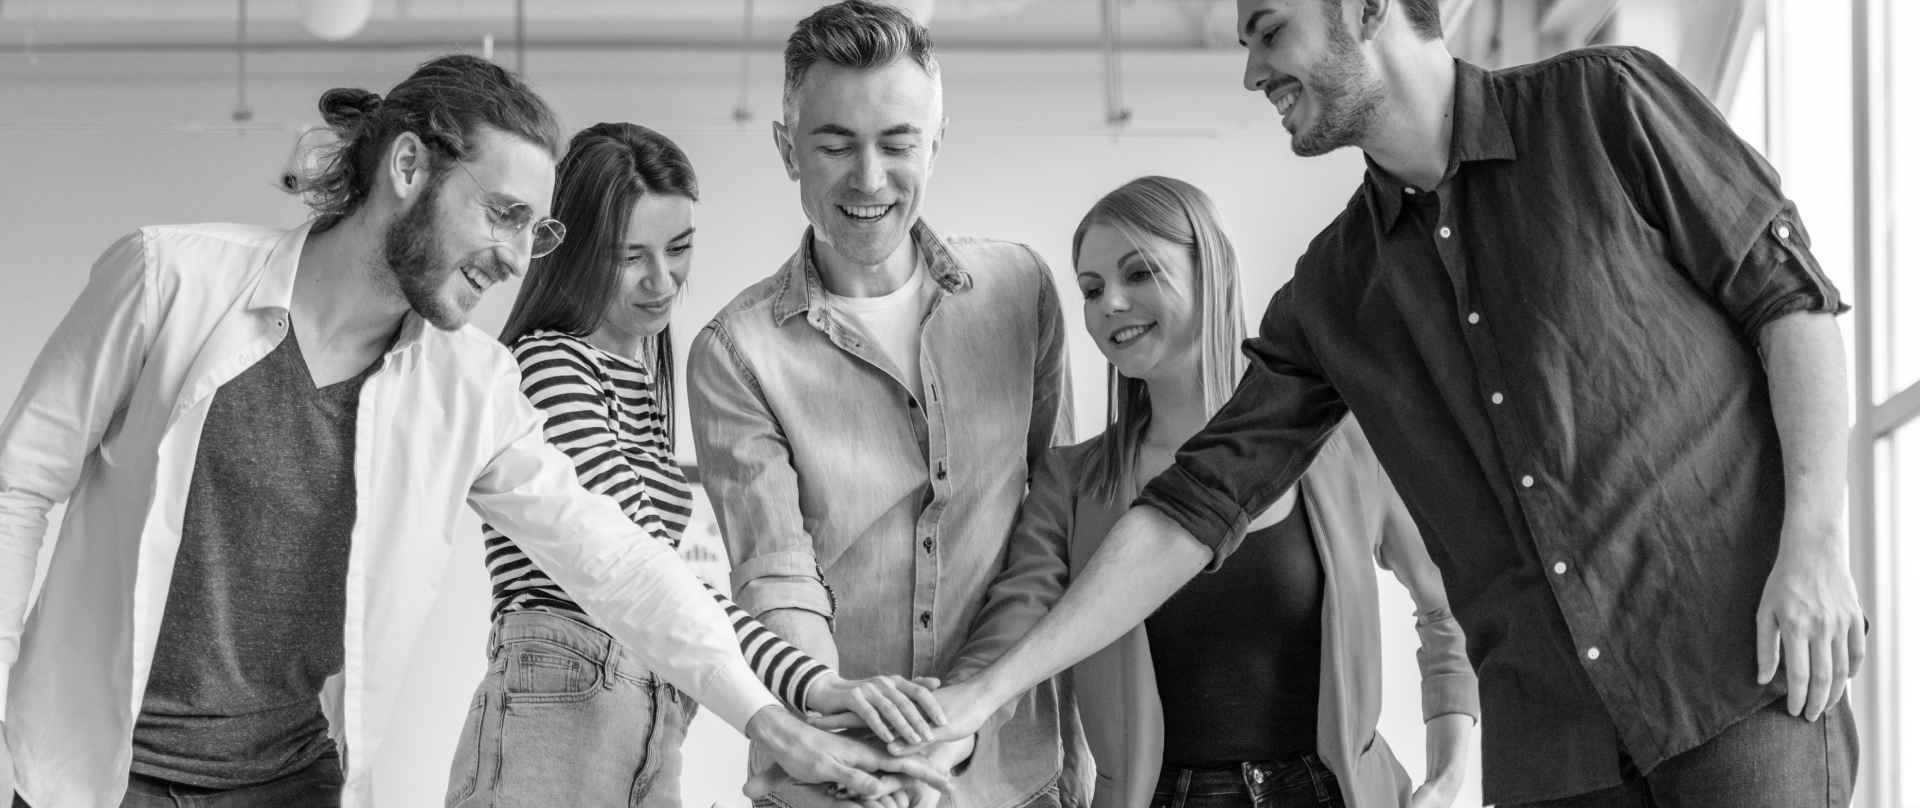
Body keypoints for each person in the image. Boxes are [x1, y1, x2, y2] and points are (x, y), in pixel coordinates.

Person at [903, 1, 1863, 807]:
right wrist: (976, 698)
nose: (1252, 71)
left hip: (1736, 680)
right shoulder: (1335, 290)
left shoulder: (1604, 105)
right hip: (1553, 755)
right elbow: (1196, 507)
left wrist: (1815, 542)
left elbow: (1789, 301)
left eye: (1269, 30)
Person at [0, 55, 949, 808]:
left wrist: (777, 715)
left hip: (294, 780)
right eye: (502, 215)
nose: (515, 257)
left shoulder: (471, 385)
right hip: (97, 770)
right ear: (408, 168)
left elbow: (619, 564)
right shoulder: (168, 281)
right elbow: (19, 486)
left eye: (536, 231)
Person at [447, 122, 950, 808]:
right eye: (630, 257)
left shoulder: (635, 376)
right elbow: (642, 577)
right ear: (574, 251)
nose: (662, 282)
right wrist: (810, 684)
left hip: (644, 703)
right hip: (566, 699)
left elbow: (666, 593)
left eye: (679, 248)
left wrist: (815, 688)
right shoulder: (552, 363)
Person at [947, 176, 1475, 808]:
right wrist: (943, 723)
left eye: (1138, 273)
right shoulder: (1072, 483)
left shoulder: (1340, 440)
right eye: (1091, 289)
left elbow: (1451, 605)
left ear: (1213, 271)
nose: (1110, 302)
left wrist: (1447, 777)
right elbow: (1011, 634)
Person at [686, 2, 1086, 806]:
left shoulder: (1021, 292)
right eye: (835, 144)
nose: (869, 179)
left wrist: (965, 715)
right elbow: (777, 579)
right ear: (787, 149)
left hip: (1016, 773)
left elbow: (1052, 526)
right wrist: (867, 755)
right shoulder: (736, 352)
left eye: (898, 143)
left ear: (935, 143)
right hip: (836, 780)